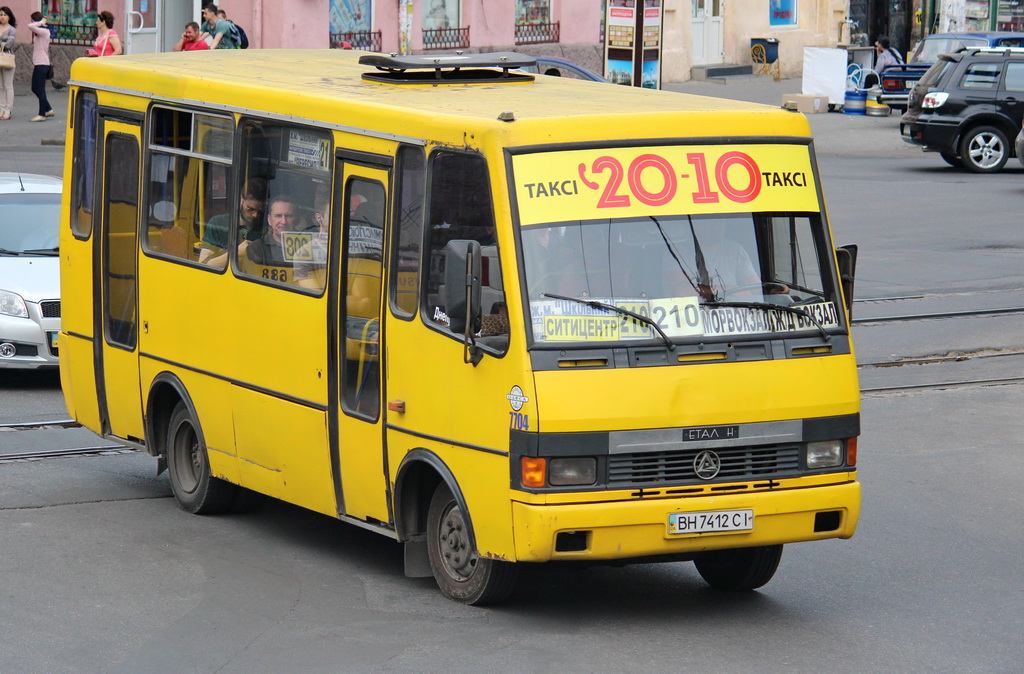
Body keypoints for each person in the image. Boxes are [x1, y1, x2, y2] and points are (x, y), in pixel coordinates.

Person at [199, 178, 266, 268]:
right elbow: (203, 264)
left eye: (260, 211)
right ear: (240, 199)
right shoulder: (218, 224)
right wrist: (236, 252)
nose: (255, 215)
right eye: (250, 209)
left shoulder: (265, 229)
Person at [241, 194, 302, 277]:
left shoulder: (308, 246)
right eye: (278, 216)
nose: (283, 221)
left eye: (289, 216)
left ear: (297, 219)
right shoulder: (256, 249)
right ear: (269, 220)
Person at [26, 12, 52, 123]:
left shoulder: (44, 32)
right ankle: (48, 109)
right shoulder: (39, 33)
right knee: (34, 88)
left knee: (40, 89)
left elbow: (30, 26)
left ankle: (42, 114)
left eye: (33, 20)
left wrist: (40, 22)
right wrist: (39, 23)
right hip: (39, 63)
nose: (32, 23)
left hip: (42, 64)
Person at [0, 6, 16, 121]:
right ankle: (1, 108)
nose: (2, 17)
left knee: (8, 85)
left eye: (5, 15)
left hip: (7, 57)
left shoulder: (11, 29)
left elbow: (10, 43)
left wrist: (2, 43)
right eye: (1, 15)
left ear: (9, 17)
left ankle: (8, 109)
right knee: (0, 86)